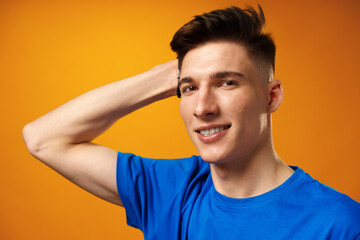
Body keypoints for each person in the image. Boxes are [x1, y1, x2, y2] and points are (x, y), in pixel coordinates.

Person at [23, 5, 360, 240]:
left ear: (271, 97)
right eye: (189, 88)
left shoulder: (339, 224)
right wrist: (166, 76)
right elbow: (43, 137)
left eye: (227, 82)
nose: (202, 107)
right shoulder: (171, 191)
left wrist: (193, 74)